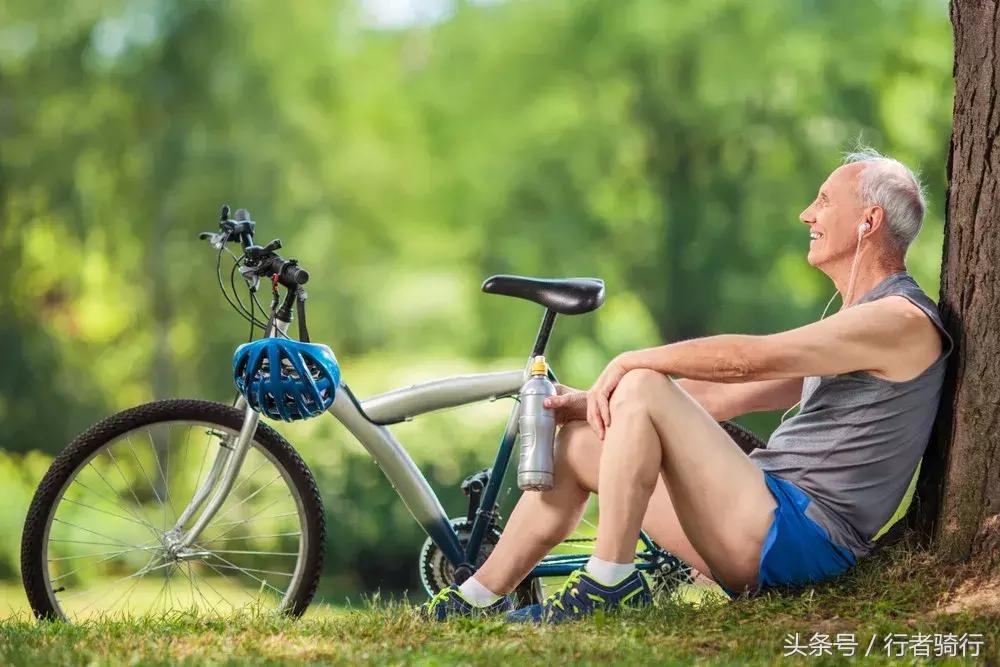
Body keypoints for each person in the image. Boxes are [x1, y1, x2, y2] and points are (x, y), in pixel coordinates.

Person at [422, 147, 952, 623]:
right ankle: (477, 597)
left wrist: (633, 364)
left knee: (646, 383)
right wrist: (594, 403)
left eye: (823, 200)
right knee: (583, 444)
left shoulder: (898, 320)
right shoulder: (856, 325)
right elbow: (718, 397)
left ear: (869, 220)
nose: (807, 214)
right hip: (759, 520)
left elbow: (749, 361)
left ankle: (610, 581)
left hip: (799, 537)